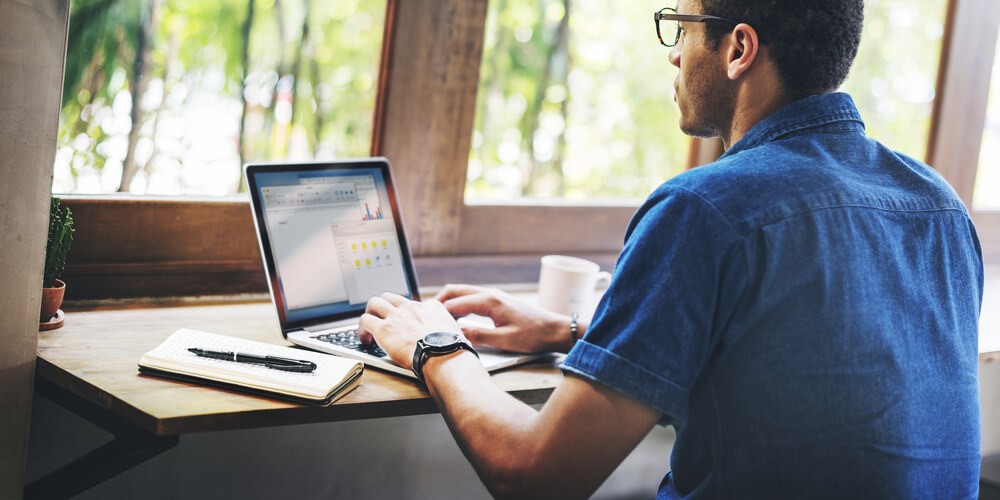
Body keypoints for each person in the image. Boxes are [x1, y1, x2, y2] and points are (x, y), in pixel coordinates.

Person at [359, 0, 985, 497]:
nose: (674, 55)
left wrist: (435, 344)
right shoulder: (940, 206)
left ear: (738, 48)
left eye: (680, 26)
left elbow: (535, 476)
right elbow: (795, 387)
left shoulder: (705, 209)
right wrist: (575, 331)